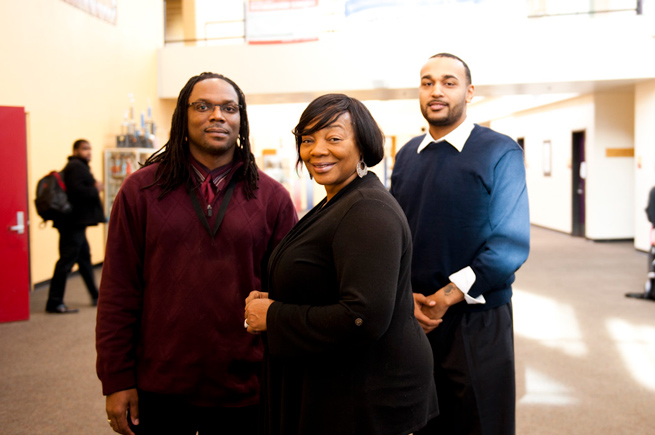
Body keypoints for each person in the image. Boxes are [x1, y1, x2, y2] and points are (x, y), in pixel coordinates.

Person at [96, 72, 298, 435]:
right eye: (203, 106)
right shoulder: (140, 191)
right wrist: (116, 378)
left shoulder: (271, 197)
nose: (217, 115)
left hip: (246, 388)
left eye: (229, 108)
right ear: (182, 118)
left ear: (241, 120)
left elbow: (289, 297)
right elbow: (118, 292)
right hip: (160, 385)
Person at [244, 94, 439, 435]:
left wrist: (274, 316)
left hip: (368, 395)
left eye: (333, 138)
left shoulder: (367, 210)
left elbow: (362, 317)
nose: (317, 150)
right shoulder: (338, 200)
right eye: (308, 139)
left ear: (362, 146)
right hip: (343, 384)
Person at [390, 53, 530, 435]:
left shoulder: (499, 151)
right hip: (416, 320)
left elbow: (509, 245)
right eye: (427, 82)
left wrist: (446, 297)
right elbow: (397, 237)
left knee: (481, 423)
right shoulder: (405, 156)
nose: (436, 91)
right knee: (421, 422)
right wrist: (409, 300)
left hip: (477, 320)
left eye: (449, 82)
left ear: (469, 93)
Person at [45, 139, 105, 314]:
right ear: (76, 150)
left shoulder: (78, 166)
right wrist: (96, 188)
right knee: (66, 261)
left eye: (90, 149)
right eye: (85, 149)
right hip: (72, 223)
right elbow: (77, 192)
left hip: (76, 223)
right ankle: (55, 301)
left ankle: (95, 296)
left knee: (84, 258)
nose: (89, 152)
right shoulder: (76, 167)